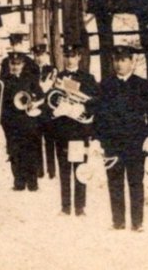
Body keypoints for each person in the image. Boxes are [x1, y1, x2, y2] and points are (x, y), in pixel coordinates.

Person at [95, 45, 148, 231]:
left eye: (123, 60)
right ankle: (118, 221)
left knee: (136, 182)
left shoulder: (142, 85)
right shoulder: (105, 85)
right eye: (116, 60)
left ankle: (137, 222)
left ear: (132, 62)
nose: (119, 64)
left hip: (136, 142)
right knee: (114, 182)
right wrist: (97, 139)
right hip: (112, 143)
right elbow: (99, 115)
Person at [50, 44, 98, 216]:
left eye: (73, 56)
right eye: (67, 55)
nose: (69, 59)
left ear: (79, 57)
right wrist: (55, 110)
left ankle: (79, 207)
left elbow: (94, 102)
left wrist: (82, 109)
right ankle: (65, 207)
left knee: (80, 169)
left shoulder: (88, 78)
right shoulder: (57, 78)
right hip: (62, 131)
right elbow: (51, 100)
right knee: (64, 170)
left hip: (78, 131)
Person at [1, 52, 43, 191]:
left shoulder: (30, 79)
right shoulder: (4, 81)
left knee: (30, 150)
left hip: (28, 120)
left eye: (18, 64)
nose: (15, 67)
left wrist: (34, 103)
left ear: (23, 65)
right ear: (8, 65)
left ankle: (32, 182)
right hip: (12, 121)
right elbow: (0, 101)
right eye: (12, 64)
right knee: (14, 151)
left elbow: (41, 96)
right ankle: (18, 182)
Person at [31, 44, 56, 178]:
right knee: (36, 140)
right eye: (36, 55)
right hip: (35, 110)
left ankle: (51, 171)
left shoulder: (52, 70)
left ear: (46, 55)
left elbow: (47, 89)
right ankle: (39, 170)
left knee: (49, 140)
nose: (39, 58)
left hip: (47, 109)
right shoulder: (31, 70)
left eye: (41, 55)